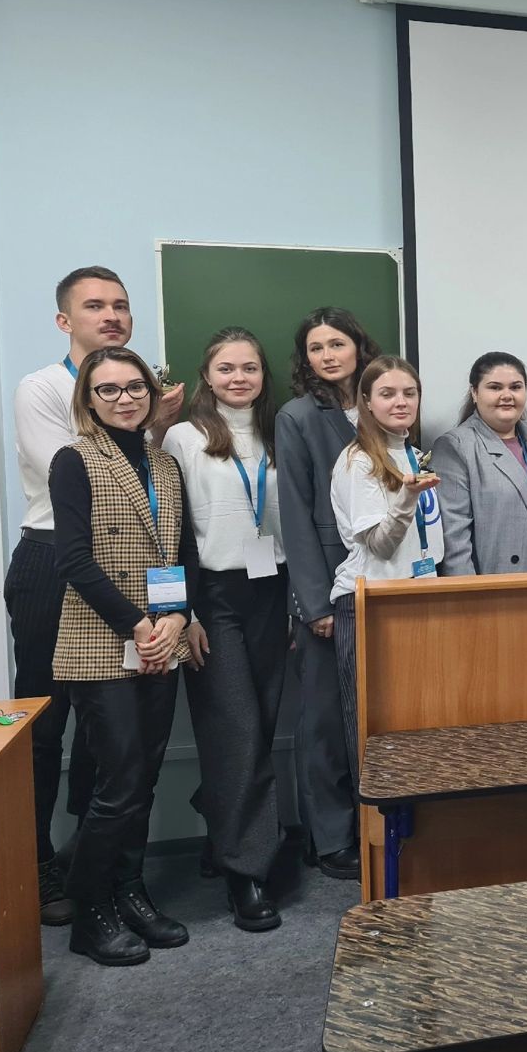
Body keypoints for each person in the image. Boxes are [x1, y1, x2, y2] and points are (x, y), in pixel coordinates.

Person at [8, 265, 183, 926]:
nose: (111, 315)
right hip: (57, 564)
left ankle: (96, 866)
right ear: (65, 320)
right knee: (46, 725)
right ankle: (40, 869)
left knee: (109, 743)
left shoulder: (141, 405)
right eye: (94, 306)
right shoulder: (43, 387)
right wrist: (149, 425)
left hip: (137, 574)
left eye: (120, 305)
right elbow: (82, 476)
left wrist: (174, 611)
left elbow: (147, 495)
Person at [50, 347, 195, 965]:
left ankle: (130, 892)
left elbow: (181, 552)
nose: (125, 398)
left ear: (151, 393)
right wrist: (138, 625)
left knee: (146, 776)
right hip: (103, 641)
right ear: (88, 399)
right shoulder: (74, 460)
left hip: (161, 637)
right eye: (107, 389)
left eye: (135, 386)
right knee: (120, 782)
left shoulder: (164, 464)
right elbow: (74, 560)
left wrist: (177, 618)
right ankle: (90, 912)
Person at [163, 326, 287, 932]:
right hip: (213, 599)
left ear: (264, 376)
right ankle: (247, 873)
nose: (239, 378)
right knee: (235, 729)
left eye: (250, 368)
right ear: (207, 378)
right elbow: (167, 531)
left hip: (273, 590)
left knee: (259, 724)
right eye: (226, 369)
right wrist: (183, 612)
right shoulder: (182, 437)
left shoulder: (280, 432)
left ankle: (223, 825)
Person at [274, 307, 381, 881]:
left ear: (358, 347)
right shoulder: (297, 416)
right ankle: (331, 837)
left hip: (383, 584)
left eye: (337, 343)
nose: (327, 356)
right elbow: (294, 514)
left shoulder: (384, 402)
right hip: (328, 588)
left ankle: (377, 825)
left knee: (374, 714)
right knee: (323, 720)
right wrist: (314, 604)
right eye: (316, 348)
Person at [330, 356, 445, 796]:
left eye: (409, 393)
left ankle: (412, 827)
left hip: (418, 599)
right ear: (366, 401)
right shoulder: (358, 460)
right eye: (388, 394)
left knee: (417, 725)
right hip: (371, 605)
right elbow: (380, 545)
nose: (401, 402)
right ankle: (374, 831)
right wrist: (406, 498)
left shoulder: (413, 453)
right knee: (373, 731)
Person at [433, 351, 527, 576]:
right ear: (474, 393)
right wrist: (465, 592)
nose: (507, 395)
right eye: (495, 388)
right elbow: (454, 538)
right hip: (497, 583)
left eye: (515, 387)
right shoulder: (456, 446)